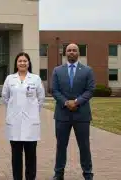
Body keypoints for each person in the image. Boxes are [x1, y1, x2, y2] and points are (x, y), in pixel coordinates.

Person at [51, 43, 95, 180]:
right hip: (62, 115)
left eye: (74, 50)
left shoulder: (87, 70)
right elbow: (55, 90)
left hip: (81, 114)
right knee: (61, 146)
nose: (71, 52)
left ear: (78, 53)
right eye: (69, 50)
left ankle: (88, 174)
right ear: (65, 53)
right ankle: (59, 174)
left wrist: (76, 102)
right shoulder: (57, 70)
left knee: (84, 146)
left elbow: (90, 90)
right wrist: (66, 102)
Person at [1, 52, 45, 180]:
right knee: (16, 155)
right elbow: (5, 97)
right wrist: (14, 109)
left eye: (25, 61)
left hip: (31, 123)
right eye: (20, 61)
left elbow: (41, 98)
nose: (22, 63)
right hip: (14, 122)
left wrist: (32, 111)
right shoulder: (10, 78)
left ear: (29, 63)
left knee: (31, 155)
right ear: (16, 63)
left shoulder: (35, 79)